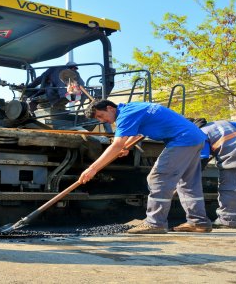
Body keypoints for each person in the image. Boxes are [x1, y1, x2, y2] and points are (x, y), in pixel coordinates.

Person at [80, 100, 212, 234]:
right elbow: (140, 133)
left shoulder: (125, 115)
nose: (101, 121)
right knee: (188, 183)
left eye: (100, 116)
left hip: (182, 140)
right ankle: (199, 222)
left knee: (157, 179)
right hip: (196, 138)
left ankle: (155, 223)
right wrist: (128, 146)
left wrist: (92, 169)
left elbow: (117, 144)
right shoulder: (134, 107)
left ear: (110, 108)